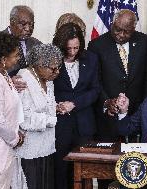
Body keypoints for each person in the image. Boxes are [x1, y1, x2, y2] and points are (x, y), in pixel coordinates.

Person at [87, 9, 147, 142]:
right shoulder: (97, 45)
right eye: (117, 29)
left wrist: (144, 108)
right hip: (108, 117)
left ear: (133, 28)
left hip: (136, 114)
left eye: (127, 31)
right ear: (112, 23)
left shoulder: (145, 42)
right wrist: (106, 102)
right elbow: (95, 81)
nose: (121, 35)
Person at [52, 23, 100, 189]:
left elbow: (95, 90)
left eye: (76, 48)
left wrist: (74, 104)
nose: (72, 52)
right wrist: (57, 105)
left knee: (83, 172)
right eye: (68, 48)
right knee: (60, 171)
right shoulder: (52, 59)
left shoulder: (91, 58)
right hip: (59, 125)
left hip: (84, 126)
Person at [13, 44, 63, 189]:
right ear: (38, 65)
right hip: (29, 150)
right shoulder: (23, 79)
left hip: (46, 147)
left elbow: (47, 106)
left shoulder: (48, 80)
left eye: (58, 67)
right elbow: (24, 118)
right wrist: (51, 119)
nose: (57, 72)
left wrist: (56, 108)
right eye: (53, 68)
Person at [0, 32, 24, 189]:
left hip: (5, 149)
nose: (18, 58)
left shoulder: (3, 75)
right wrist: (15, 138)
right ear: (3, 59)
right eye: (16, 55)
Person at [2, 5, 42, 77]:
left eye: (31, 24)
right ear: (12, 22)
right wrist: (8, 80)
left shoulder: (37, 44)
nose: (28, 28)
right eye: (23, 24)